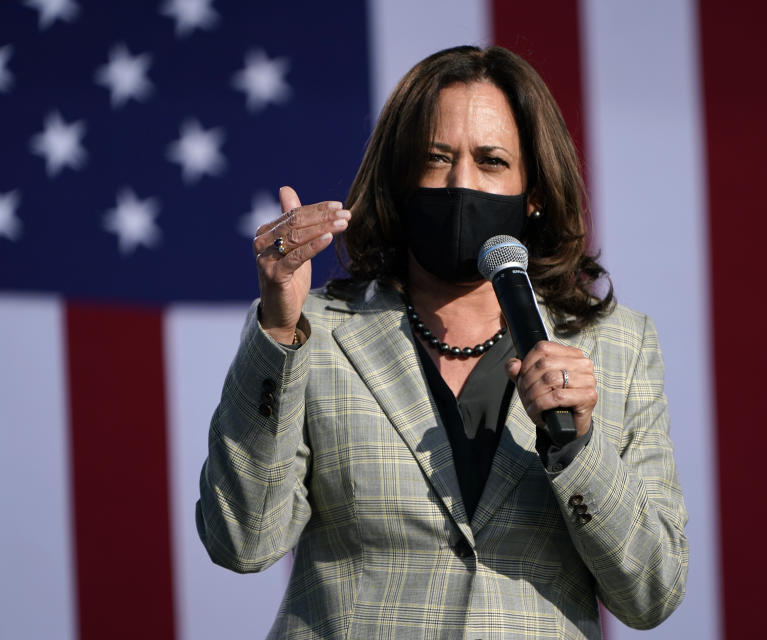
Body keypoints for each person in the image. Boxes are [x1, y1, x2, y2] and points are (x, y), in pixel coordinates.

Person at [197, 45, 687, 639]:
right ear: (401, 179)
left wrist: (579, 446)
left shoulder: (619, 345)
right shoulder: (312, 332)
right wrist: (277, 328)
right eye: (436, 158)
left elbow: (652, 591)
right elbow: (242, 540)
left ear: (533, 192)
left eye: (491, 161)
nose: (462, 184)